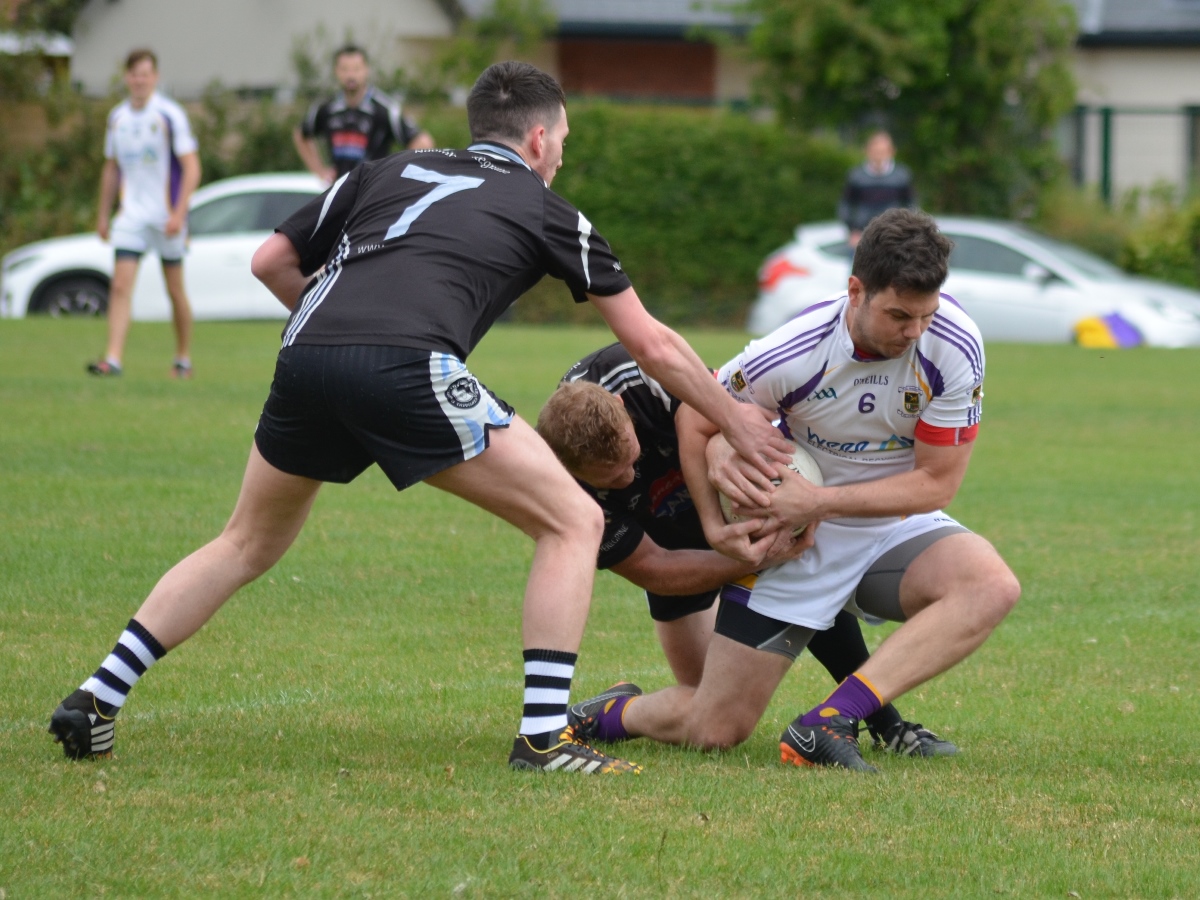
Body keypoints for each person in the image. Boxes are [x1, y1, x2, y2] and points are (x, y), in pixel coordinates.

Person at [48, 61, 792, 775]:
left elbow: (270, 261)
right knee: (573, 521)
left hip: (304, 350)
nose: (560, 157)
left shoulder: (384, 170)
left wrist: (341, 339)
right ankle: (541, 740)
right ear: (538, 139)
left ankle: (97, 695)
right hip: (407, 362)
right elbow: (653, 342)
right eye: (561, 142)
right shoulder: (546, 206)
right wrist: (733, 416)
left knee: (244, 541)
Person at [570, 208, 1021, 772]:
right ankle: (612, 714)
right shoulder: (793, 351)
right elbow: (696, 418)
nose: (913, 332)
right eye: (899, 315)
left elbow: (938, 482)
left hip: (888, 526)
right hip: (795, 538)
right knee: (714, 728)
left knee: (990, 585)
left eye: (926, 315)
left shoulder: (954, 346)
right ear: (855, 290)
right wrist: (715, 526)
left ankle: (829, 722)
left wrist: (822, 502)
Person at [537, 345, 958, 757]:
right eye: (612, 479)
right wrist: (757, 557)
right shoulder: (557, 487)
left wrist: (723, 457)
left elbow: (729, 410)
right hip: (666, 548)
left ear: (620, 405)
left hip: (725, 497)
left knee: (804, 575)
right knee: (707, 711)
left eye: (630, 459)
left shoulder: (637, 373)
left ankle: (886, 723)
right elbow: (655, 569)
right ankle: (613, 711)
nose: (628, 478)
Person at [87, 49, 201, 378]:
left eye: (145, 74)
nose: (139, 80)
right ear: (127, 78)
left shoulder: (169, 115)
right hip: (131, 217)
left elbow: (192, 169)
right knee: (120, 286)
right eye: (134, 74)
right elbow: (111, 169)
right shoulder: (118, 117)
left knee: (175, 290)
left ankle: (182, 358)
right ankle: (113, 359)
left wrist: (179, 213)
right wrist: (103, 214)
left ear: (155, 77)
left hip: (166, 217)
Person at [293, 45, 434, 185]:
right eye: (344, 69)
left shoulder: (385, 109)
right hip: (339, 194)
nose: (350, 75)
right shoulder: (326, 108)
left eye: (356, 69)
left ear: (366, 70)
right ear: (336, 71)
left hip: (373, 194)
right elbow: (301, 135)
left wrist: (396, 177)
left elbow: (423, 142)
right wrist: (320, 172)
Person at [837, 131, 915, 249]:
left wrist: (906, 229)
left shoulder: (902, 175)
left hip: (894, 236)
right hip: (862, 236)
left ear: (892, 152)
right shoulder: (856, 176)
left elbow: (911, 204)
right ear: (867, 151)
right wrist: (852, 230)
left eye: (882, 152)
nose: (879, 155)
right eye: (876, 151)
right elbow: (846, 205)